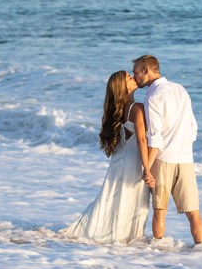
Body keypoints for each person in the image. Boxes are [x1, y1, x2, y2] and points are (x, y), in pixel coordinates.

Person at [61, 71, 151, 243]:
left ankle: (115, 237)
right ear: (122, 87)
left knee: (115, 198)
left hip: (120, 162)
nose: (133, 76)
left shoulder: (117, 111)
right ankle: (126, 239)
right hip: (133, 162)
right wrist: (148, 169)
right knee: (132, 201)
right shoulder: (136, 108)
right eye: (129, 77)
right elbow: (141, 140)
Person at [132, 55, 202, 246]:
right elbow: (193, 129)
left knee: (160, 210)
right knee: (193, 212)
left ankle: (159, 253)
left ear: (146, 70)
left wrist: (147, 169)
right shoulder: (180, 89)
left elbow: (155, 138)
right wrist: (181, 147)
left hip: (163, 160)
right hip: (185, 158)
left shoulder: (153, 96)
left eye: (136, 72)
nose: (135, 77)